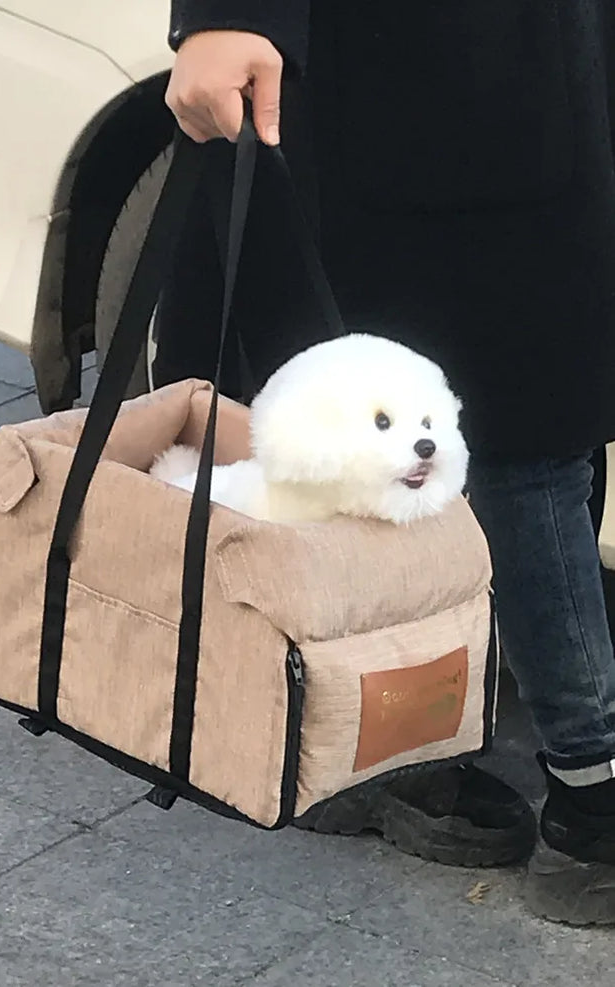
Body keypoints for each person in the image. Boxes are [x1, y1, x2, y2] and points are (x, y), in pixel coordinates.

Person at [162, 0, 615, 925]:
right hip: (420, 89)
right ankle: (576, 795)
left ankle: (409, 750)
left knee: (499, 435)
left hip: (496, 84)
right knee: (501, 442)